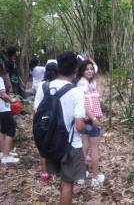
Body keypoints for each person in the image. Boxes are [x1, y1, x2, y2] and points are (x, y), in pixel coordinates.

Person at [34, 51, 86, 205]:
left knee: (62, 179)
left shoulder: (43, 87)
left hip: (49, 141)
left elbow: (37, 116)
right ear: (76, 70)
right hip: (70, 145)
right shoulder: (77, 92)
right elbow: (79, 126)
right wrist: (86, 129)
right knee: (68, 183)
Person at [76, 60, 105, 187]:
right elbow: (83, 103)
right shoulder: (83, 83)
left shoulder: (87, 83)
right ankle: (95, 177)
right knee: (94, 148)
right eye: (87, 69)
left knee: (85, 145)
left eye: (91, 69)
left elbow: (96, 67)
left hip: (85, 119)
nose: (90, 71)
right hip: (90, 120)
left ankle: (81, 175)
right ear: (82, 71)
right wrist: (93, 118)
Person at [34, 61, 58, 181]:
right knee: (56, 143)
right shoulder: (59, 85)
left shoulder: (42, 86)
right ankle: (56, 169)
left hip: (43, 120)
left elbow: (36, 107)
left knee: (43, 146)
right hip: (57, 120)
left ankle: (44, 173)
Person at [0, 58, 19, 164]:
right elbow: (2, 94)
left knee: (3, 129)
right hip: (3, 108)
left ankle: (3, 152)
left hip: (1, 108)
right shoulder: (0, 79)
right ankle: (6, 157)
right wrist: (11, 100)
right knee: (11, 130)